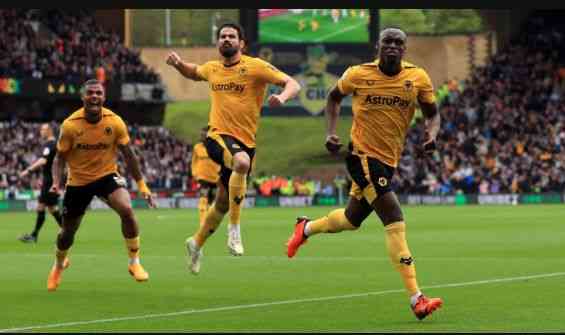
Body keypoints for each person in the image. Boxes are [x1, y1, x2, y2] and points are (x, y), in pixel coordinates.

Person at [285, 28, 443, 320]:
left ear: (405, 48)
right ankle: (416, 298)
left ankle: (305, 228)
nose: (393, 46)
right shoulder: (358, 74)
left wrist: (431, 135)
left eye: (399, 43)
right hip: (361, 157)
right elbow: (333, 99)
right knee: (394, 219)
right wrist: (331, 134)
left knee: (350, 220)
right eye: (388, 42)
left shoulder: (417, 77)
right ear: (378, 46)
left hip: (389, 161)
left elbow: (432, 113)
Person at [166, 22, 301, 273]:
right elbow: (193, 71)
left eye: (231, 36)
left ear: (242, 43)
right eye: (222, 36)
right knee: (241, 163)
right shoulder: (213, 68)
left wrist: (281, 97)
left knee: (221, 203)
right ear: (218, 43)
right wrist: (178, 64)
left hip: (245, 142)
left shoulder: (255, 66)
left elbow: (293, 83)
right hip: (217, 136)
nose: (226, 39)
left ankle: (195, 243)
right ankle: (235, 231)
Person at [46, 79, 156, 292]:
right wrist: (56, 183)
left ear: (103, 97)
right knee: (67, 232)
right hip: (78, 181)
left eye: (98, 93)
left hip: (106, 176)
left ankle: (134, 262)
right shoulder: (70, 125)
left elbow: (129, 155)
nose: (94, 96)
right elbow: (59, 158)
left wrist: (142, 186)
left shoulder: (114, 122)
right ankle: (59, 265)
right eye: (90, 93)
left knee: (127, 209)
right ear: (83, 97)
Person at [18, 123, 63, 243]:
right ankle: (65, 231)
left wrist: (27, 171)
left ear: (49, 131)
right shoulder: (54, 143)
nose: (40, 132)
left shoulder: (50, 144)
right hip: (51, 179)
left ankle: (35, 236)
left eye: (43, 130)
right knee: (51, 208)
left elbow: (43, 161)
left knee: (44, 207)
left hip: (50, 180)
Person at [191, 126, 220, 227]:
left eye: (204, 134)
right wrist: (195, 173)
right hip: (202, 177)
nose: (202, 136)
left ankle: (210, 220)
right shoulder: (197, 147)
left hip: (215, 177)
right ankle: (202, 222)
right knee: (203, 196)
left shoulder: (216, 146)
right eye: (201, 134)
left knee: (213, 200)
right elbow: (194, 162)